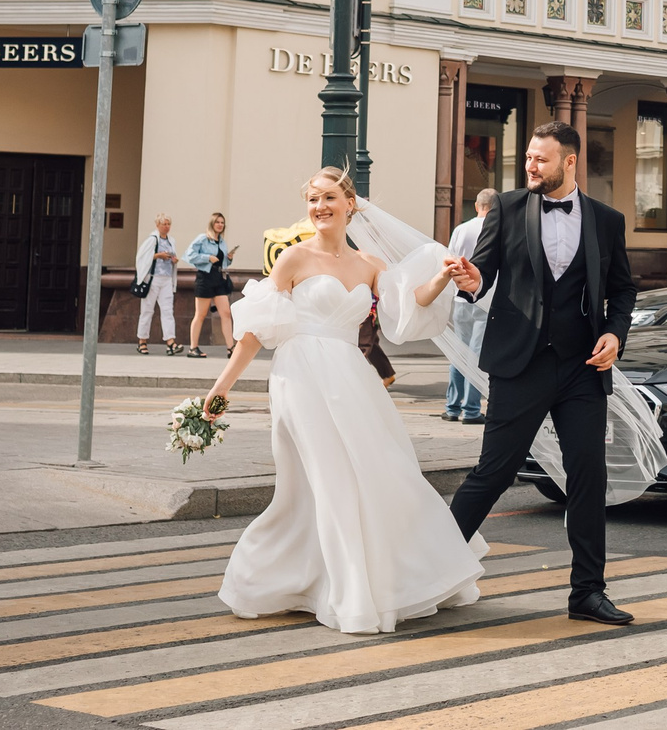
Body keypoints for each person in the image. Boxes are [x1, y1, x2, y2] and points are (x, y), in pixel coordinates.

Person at [201, 168, 484, 633]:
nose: (319, 207)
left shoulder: (369, 264)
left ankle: (382, 579)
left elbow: (408, 306)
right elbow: (255, 332)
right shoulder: (293, 258)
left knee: (383, 474)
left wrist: (442, 278)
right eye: (313, 199)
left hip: (354, 379)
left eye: (329, 197)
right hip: (300, 378)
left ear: (350, 204)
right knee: (326, 481)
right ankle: (344, 592)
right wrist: (221, 387)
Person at [445, 120, 637, 627]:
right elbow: (481, 273)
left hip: (581, 366)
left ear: (568, 162)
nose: (530, 165)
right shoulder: (507, 209)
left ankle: (587, 593)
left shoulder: (606, 220)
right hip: (519, 362)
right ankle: (428, 568)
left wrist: (615, 335)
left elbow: (623, 291)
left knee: (588, 476)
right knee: (494, 473)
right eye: (528, 157)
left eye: (541, 159)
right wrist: (470, 279)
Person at [442, 187, 494, 423]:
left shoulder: (461, 229)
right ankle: (471, 410)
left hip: (461, 296)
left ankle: (452, 407)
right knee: (476, 354)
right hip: (487, 298)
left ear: (477, 205)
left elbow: (449, 259)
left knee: (459, 352)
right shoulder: (496, 229)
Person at [185, 213, 234, 356]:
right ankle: (193, 348)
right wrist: (207, 257)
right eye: (217, 222)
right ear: (212, 223)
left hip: (218, 277)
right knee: (200, 314)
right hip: (205, 277)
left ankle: (231, 348)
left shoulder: (221, 242)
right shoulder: (203, 238)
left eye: (222, 222)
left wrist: (229, 259)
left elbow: (222, 262)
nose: (220, 224)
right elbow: (190, 255)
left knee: (226, 313)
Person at [136, 216, 179, 354]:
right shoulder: (152, 240)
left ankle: (170, 341)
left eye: (168, 224)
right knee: (147, 310)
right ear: (157, 225)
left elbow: (172, 256)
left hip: (166, 278)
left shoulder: (171, 240)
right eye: (163, 224)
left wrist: (173, 259)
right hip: (153, 278)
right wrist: (158, 255)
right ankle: (142, 341)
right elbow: (142, 257)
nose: (166, 226)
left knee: (167, 310)